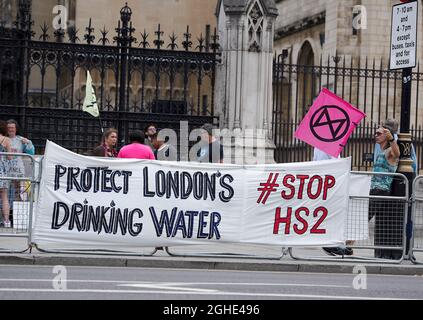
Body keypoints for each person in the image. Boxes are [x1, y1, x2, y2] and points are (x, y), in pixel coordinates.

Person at [313, 148, 354, 257]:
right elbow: (337, 165)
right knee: (332, 214)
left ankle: (330, 243)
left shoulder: (318, 146)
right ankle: (330, 244)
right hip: (330, 184)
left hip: (323, 183)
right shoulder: (330, 146)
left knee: (328, 214)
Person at [369, 126, 401, 259]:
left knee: (365, 216)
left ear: (386, 136)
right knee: (373, 220)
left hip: (381, 190)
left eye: (379, 133)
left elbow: (397, 153)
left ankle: (346, 245)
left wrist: (392, 139)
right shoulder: (380, 151)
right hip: (374, 190)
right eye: (375, 133)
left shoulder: (389, 152)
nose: (376, 135)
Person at [7, 120, 35, 204]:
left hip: (17, 170)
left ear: (16, 129)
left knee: (18, 193)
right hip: (5, 171)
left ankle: (15, 214)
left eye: (12, 127)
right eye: (8, 128)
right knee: (4, 193)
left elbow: (31, 153)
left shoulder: (20, 139)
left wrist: (29, 143)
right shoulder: (2, 139)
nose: (10, 129)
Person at [0, 121, 12, 228]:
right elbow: (9, 157)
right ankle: (7, 221)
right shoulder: (6, 140)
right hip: (2, 171)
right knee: (4, 197)